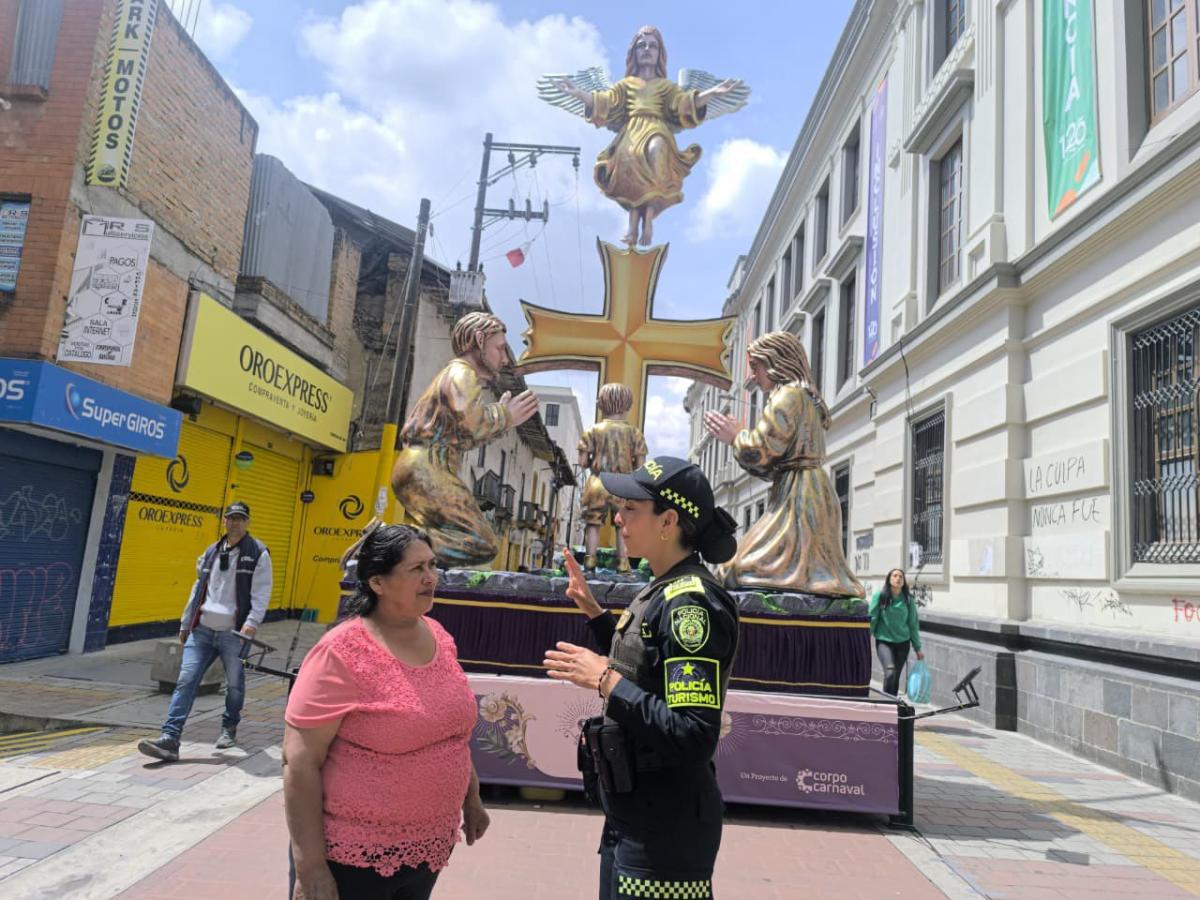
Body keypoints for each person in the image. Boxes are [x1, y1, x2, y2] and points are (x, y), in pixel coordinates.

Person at [543, 456, 740, 900]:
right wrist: (595, 614)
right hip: (634, 814)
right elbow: (648, 663)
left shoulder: (692, 606)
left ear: (668, 520)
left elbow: (692, 734)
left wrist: (604, 681)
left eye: (631, 509)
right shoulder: (664, 588)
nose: (617, 518)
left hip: (664, 830)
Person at [284, 525, 488, 900]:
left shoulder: (439, 636)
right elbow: (299, 762)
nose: (431, 578)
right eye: (416, 569)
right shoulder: (341, 652)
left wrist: (471, 798)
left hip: (429, 849)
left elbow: (452, 731)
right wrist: (309, 867)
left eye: (432, 565)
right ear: (377, 582)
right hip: (354, 857)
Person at [704, 331, 863, 597]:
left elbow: (764, 450)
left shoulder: (788, 396)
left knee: (740, 568)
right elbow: (772, 462)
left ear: (775, 362)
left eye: (756, 367)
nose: (753, 377)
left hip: (799, 497)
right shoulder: (804, 397)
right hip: (807, 490)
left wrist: (735, 437)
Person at [552, 26, 743, 245]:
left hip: (657, 129)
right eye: (641, 45)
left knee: (656, 149)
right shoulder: (625, 85)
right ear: (633, 52)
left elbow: (683, 105)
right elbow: (605, 102)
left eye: (652, 46)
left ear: (659, 53)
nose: (647, 49)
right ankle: (632, 228)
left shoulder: (666, 86)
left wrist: (710, 94)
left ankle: (649, 220)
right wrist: (579, 94)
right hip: (631, 132)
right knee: (629, 160)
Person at [392, 311, 539, 567]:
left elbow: (465, 435)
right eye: (500, 348)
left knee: (452, 535)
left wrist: (501, 419)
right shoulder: (462, 373)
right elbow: (471, 424)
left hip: (426, 465)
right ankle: (386, 547)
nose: (504, 359)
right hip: (426, 466)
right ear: (480, 341)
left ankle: (399, 553)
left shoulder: (459, 376)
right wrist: (505, 415)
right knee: (481, 542)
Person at [137, 501, 272, 762]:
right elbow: (197, 589)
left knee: (234, 685)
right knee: (186, 680)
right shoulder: (211, 551)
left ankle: (229, 727)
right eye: (230, 518)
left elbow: (262, 591)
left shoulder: (258, 553)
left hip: (234, 633)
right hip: (202, 631)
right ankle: (170, 738)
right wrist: (186, 622)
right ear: (224, 521)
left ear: (247, 522)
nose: (234, 523)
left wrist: (252, 622)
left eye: (240, 519)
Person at [577, 383, 649, 572]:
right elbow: (641, 466)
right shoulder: (634, 433)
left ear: (601, 404)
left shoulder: (593, 430)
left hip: (597, 481)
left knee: (592, 524)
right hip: (623, 484)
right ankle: (623, 564)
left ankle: (589, 562)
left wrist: (595, 458)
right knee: (622, 524)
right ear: (627, 406)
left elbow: (583, 462)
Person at [870, 568, 924, 696]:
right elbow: (872, 618)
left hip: (903, 643)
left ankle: (891, 708)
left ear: (904, 581)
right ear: (889, 579)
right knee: (890, 673)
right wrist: (864, 638)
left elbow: (913, 625)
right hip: (884, 642)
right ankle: (885, 706)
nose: (898, 578)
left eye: (901, 576)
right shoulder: (880, 596)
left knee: (895, 677)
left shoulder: (908, 599)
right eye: (894, 576)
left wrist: (918, 648)